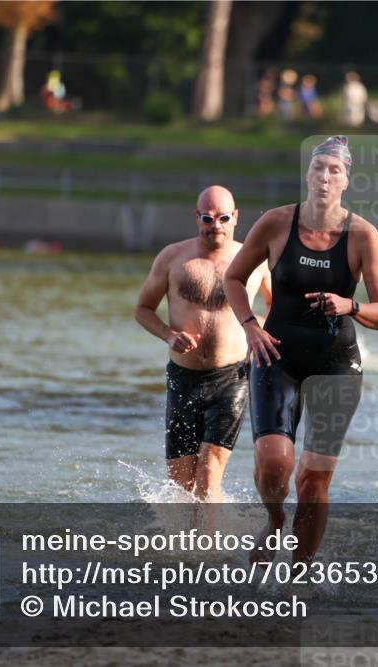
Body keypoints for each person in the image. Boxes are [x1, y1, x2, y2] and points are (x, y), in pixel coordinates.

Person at [224, 135, 378, 566]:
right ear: (307, 174)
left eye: (334, 170)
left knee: (315, 483)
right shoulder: (277, 223)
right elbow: (233, 278)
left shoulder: (362, 235)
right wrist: (250, 328)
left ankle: (297, 577)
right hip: (276, 356)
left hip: (335, 363)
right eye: (318, 168)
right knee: (274, 462)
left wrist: (350, 306)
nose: (324, 177)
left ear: (346, 180)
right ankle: (275, 519)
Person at [135, 186, 272, 502]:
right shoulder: (173, 258)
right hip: (183, 379)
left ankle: (208, 551)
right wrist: (169, 334)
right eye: (208, 218)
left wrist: (257, 332)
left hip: (231, 379)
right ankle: (183, 548)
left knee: (209, 476)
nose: (216, 226)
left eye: (224, 217)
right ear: (197, 218)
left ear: (235, 217)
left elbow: (275, 305)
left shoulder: (252, 260)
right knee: (180, 485)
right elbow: (143, 309)